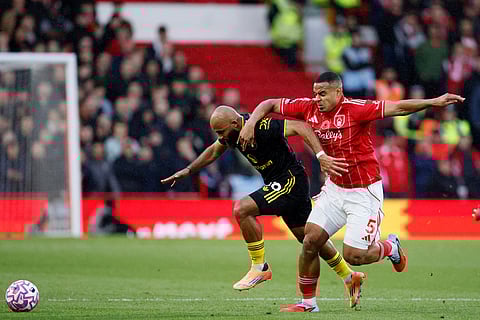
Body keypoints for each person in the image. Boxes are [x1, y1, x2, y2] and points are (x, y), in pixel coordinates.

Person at [238, 72, 465, 312]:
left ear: (339, 92)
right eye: (315, 93)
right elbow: (270, 103)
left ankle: (390, 248)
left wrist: (433, 102)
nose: (317, 98)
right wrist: (251, 122)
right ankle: (308, 303)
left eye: (323, 93)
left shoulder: (357, 109)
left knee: (354, 255)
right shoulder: (309, 107)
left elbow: (397, 107)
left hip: (364, 192)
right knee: (310, 240)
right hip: (335, 190)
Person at [161, 105, 365, 310]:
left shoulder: (261, 127)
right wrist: (188, 170)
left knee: (242, 209)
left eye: (221, 131)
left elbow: (301, 127)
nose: (220, 137)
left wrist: (321, 157)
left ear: (234, 123)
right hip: (285, 181)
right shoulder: (231, 135)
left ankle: (260, 266)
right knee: (310, 239)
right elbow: (214, 151)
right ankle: (349, 277)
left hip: (290, 180)